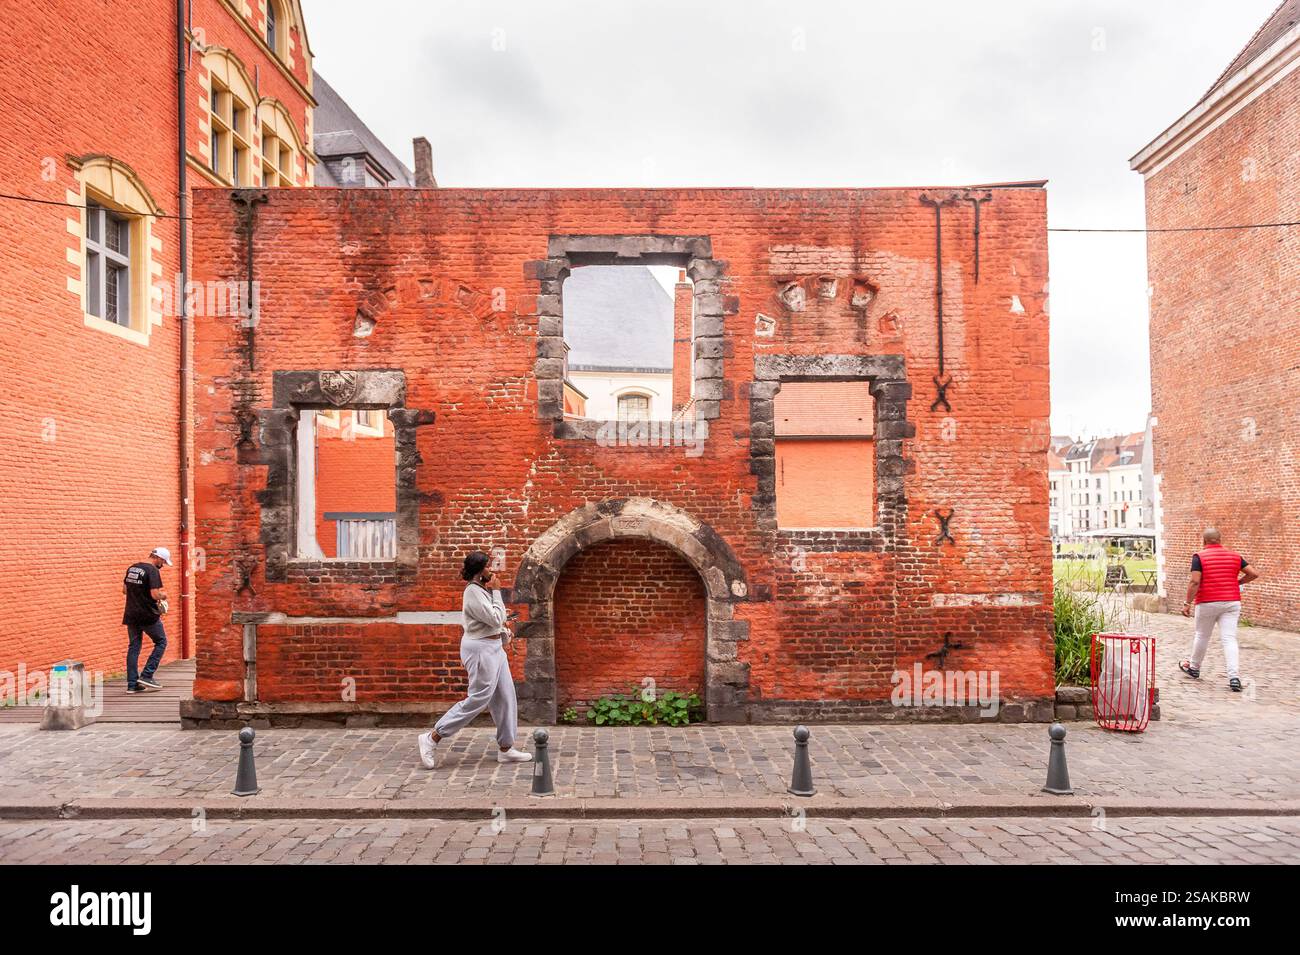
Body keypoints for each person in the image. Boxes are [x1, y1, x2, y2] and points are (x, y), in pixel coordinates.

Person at [418, 551, 533, 768]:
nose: (492, 571)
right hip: (479, 650)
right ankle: (433, 737)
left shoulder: (482, 591)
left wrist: (504, 632)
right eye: (488, 567)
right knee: (478, 698)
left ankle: (506, 748)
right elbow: (495, 617)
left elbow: (494, 621)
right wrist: (497, 592)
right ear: (480, 571)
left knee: (506, 696)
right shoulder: (472, 592)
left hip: (494, 648)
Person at [1179, 528, 1258, 692]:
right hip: (1231, 602)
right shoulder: (1235, 556)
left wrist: (1187, 603)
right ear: (1220, 540)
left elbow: (1195, 582)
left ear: (1204, 541)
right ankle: (1234, 677)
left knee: (1202, 635)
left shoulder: (1199, 557)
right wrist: (1239, 583)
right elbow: (1253, 574)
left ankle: (1194, 668)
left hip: (1207, 601)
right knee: (1229, 639)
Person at [123, 548, 172, 693]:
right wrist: (163, 596)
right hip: (147, 615)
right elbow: (154, 594)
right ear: (157, 558)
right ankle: (147, 675)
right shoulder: (152, 571)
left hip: (131, 614)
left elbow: (125, 590)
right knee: (161, 642)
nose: (162, 565)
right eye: (163, 562)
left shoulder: (132, 568)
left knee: (134, 647)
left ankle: (132, 685)